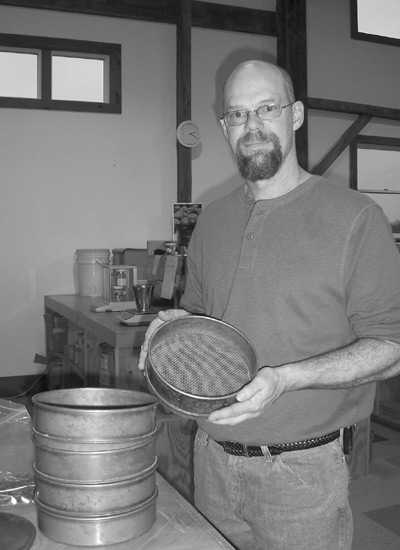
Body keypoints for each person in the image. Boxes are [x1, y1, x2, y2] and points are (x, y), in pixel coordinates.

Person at [139, 60, 400, 550]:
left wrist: (288, 377)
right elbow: (200, 319)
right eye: (237, 115)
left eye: (266, 108)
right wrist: (173, 327)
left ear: (295, 115)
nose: (252, 126)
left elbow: (391, 346)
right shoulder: (211, 220)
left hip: (303, 472)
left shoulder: (356, 219)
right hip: (211, 457)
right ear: (224, 127)